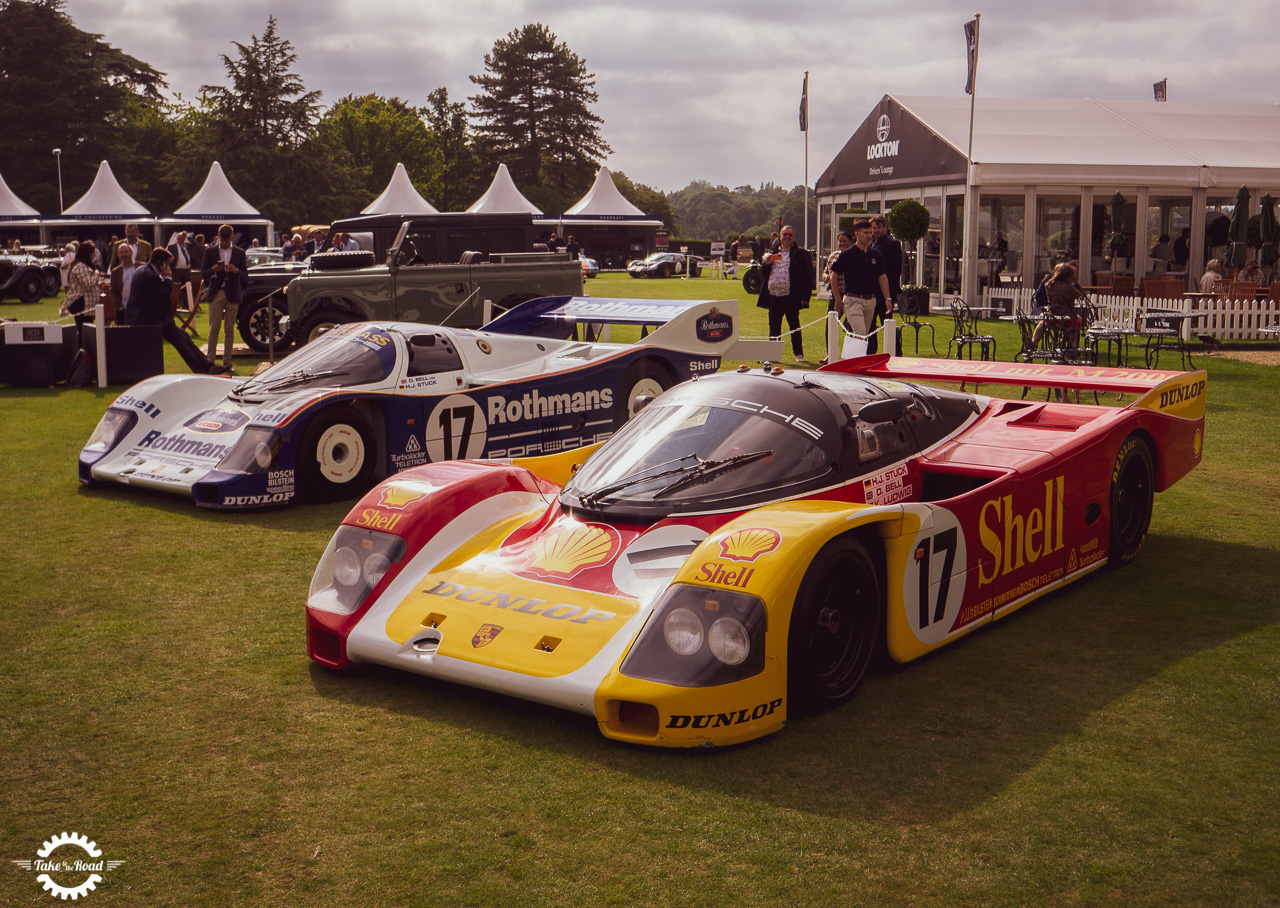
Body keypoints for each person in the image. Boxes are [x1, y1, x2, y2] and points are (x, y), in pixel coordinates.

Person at [126, 248, 230, 375]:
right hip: (147, 321)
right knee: (180, 340)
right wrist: (168, 279)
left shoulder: (143, 270)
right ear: (160, 262)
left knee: (184, 336)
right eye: (167, 263)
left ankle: (207, 366)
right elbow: (163, 295)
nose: (169, 267)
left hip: (149, 317)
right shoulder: (151, 276)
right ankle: (203, 369)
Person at [755, 225, 814, 363]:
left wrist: (805, 297)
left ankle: (799, 354)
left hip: (791, 296)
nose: (787, 237)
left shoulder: (801, 253)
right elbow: (762, 274)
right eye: (785, 234)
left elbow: (808, 276)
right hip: (774, 295)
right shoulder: (773, 253)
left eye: (790, 235)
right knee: (774, 325)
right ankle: (773, 355)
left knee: (794, 325)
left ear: (793, 237)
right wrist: (767, 263)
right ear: (780, 236)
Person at [829, 218, 891, 340]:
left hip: (871, 301)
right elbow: (834, 276)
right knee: (860, 333)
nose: (869, 235)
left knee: (861, 336)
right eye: (865, 233)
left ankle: (851, 358)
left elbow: (882, 277)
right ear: (857, 234)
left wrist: (887, 298)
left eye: (870, 232)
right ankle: (858, 358)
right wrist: (838, 299)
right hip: (853, 300)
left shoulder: (876, 255)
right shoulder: (847, 254)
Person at [200, 224, 249, 370]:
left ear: (232, 238)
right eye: (223, 240)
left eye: (228, 240)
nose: (225, 243)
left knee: (229, 329)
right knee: (213, 328)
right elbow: (203, 272)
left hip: (233, 292)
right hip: (217, 293)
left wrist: (236, 270)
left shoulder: (240, 252)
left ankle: (227, 363)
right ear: (219, 236)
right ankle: (210, 361)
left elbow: (245, 276)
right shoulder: (210, 251)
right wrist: (213, 270)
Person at [870, 215, 903, 353]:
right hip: (871, 293)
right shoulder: (870, 243)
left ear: (884, 227)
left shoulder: (892, 244)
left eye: (878, 227)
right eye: (874, 227)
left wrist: (890, 294)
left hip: (885, 293)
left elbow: (896, 271)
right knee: (870, 327)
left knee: (887, 325)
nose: (876, 230)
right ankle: (871, 354)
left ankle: (896, 353)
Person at [60, 241, 102, 340]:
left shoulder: (83, 265)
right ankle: (83, 352)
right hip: (81, 304)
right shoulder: (81, 266)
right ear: (87, 254)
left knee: (85, 331)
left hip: (86, 304)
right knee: (84, 332)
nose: (94, 255)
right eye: (93, 253)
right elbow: (88, 284)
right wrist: (96, 274)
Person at [108, 242, 143, 324]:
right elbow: (113, 290)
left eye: (126, 252)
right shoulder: (115, 272)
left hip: (140, 310)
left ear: (132, 253)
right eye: (121, 252)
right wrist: (119, 307)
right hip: (123, 310)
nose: (124, 254)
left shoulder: (142, 267)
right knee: (123, 335)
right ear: (118, 255)